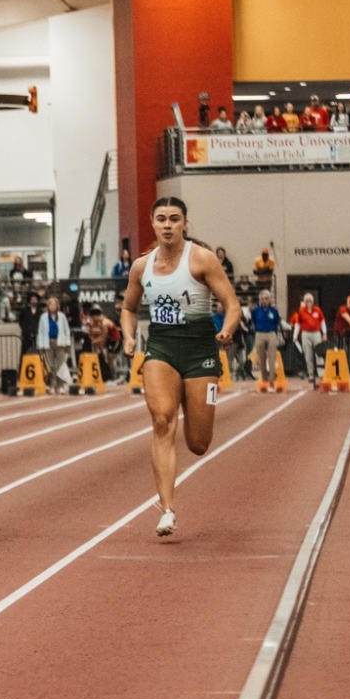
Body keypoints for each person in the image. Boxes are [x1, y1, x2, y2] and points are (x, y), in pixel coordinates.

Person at [120, 197, 240, 537]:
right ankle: (167, 509)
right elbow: (129, 307)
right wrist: (129, 337)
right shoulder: (141, 267)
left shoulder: (201, 259)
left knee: (199, 443)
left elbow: (231, 304)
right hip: (160, 347)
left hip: (200, 349)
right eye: (162, 219)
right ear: (153, 223)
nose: (168, 225)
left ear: (185, 223)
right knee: (161, 422)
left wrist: (228, 329)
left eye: (174, 219)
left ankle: (193, 399)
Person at [36, 295, 73, 391]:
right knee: (51, 365)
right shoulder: (43, 317)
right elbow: (40, 332)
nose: (52, 306)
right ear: (48, 306)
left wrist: (68, 344)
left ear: (57, 306)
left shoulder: (62, 316)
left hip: (60, 342)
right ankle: (52, 385)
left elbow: (66, 330)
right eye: (50, 304)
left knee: (60, 365)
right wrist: (40, 345)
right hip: (48, 342)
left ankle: (60, 385)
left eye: (54, 304)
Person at [247, 290, 283, 388]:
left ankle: (272, 381)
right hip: (259, 334)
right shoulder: (256, 311)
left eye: (266, 298)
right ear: (260, 300)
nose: (264, 301)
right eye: (262, 299)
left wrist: (273, 333)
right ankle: (264, 380)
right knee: (261, 359)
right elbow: (253, 321)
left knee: (272, 358)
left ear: (269, 299)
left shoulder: (274, 311)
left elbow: (276, 323)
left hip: (271, 334)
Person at [288, 292, 327, 383]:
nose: (309, 302)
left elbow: (322, 322)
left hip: (316, 333)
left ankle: (321, 374)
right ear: (305, 302)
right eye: (307, 301)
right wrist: (295, 336)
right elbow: (298, 324)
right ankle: (311, 374)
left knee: (319, 354)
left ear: (313, 301)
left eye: (310, 300)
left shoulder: (317, 310)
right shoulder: (301, 311)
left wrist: (324, 333)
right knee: (308, 355)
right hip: (306, 334)